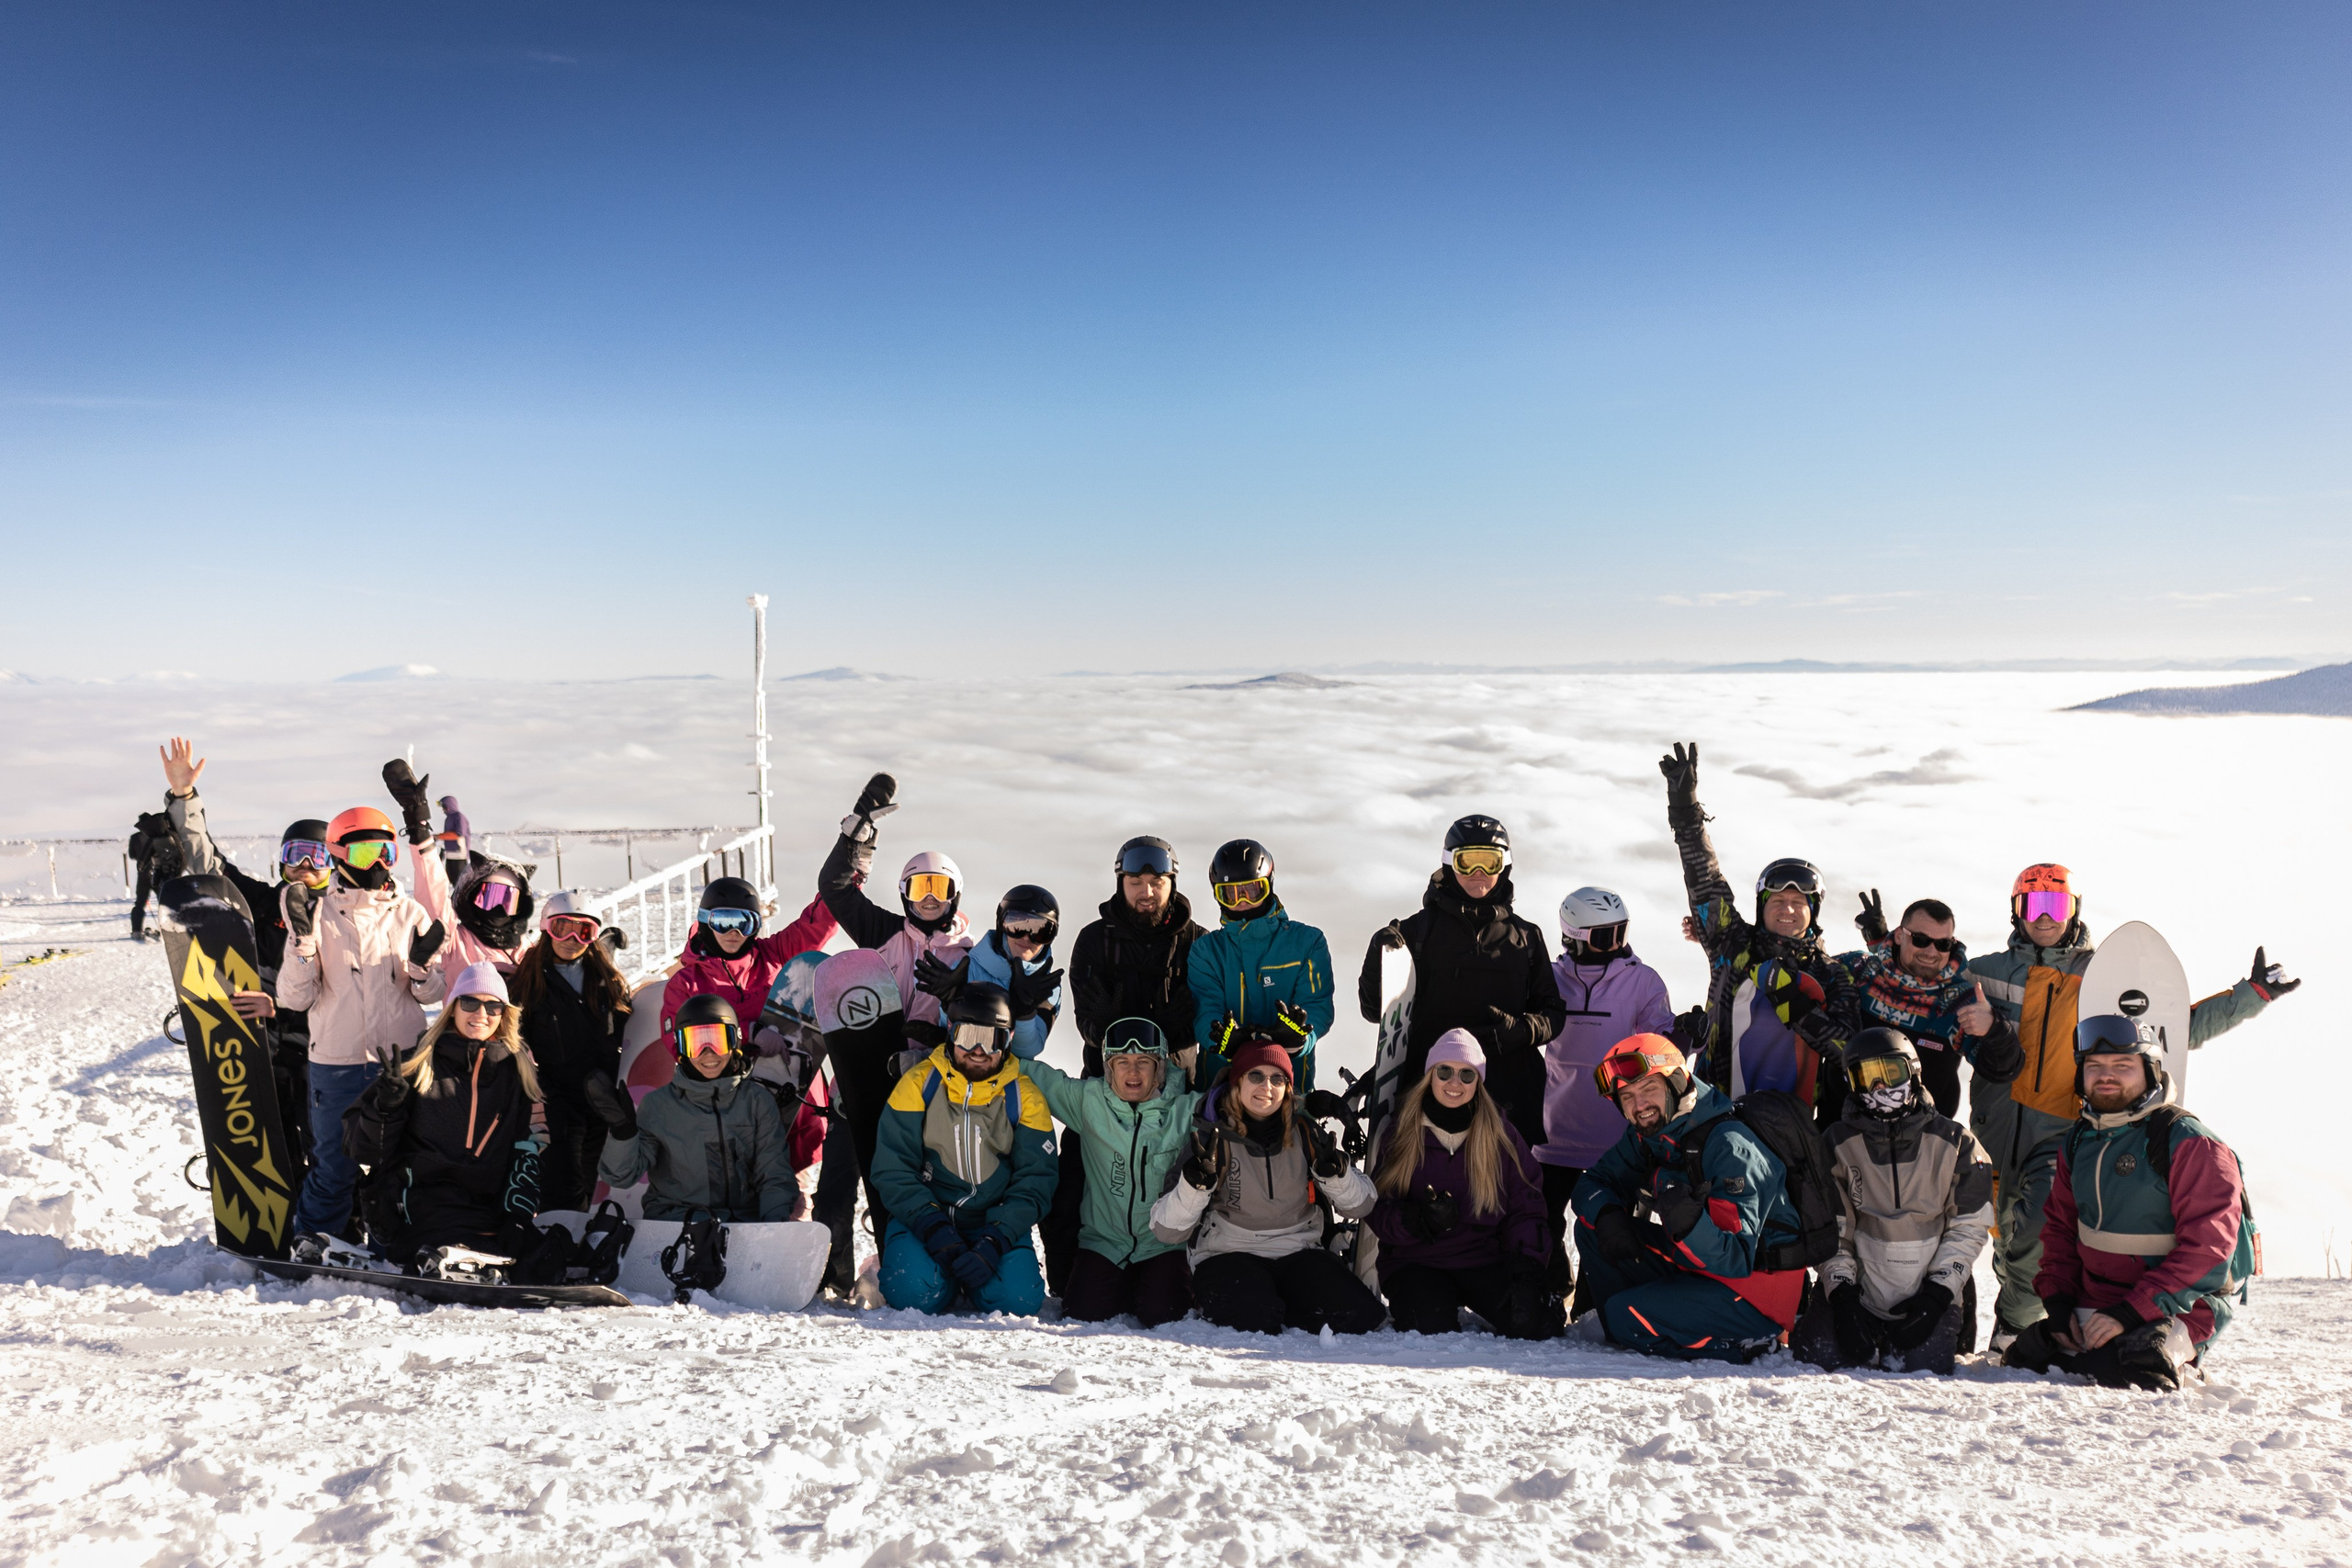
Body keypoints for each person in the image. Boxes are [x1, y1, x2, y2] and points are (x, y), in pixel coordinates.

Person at [1962, 863, 2292, 1346]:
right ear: (2016, 912)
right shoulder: (1985, 972)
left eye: (2056, 903)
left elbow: (2171, 1030)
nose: (2044, 916)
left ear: (2073, 908)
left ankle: (2015, 1328)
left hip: (2058, 1129)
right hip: (1991, 1128)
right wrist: (1887, 946)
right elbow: (1930, 981)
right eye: (2032, 904)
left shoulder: (2105, 975)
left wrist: (2251, 995)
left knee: (2037, 1229)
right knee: (2002, 1232)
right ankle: (1999, 1323)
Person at [2002, 1014, 2255, 1391]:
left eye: (2123, 1065)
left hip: (2180, 1305)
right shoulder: (2079, 1140)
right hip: (2102, 1300)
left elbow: (2210, 1250)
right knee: (2029, 1358)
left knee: (2133, 1369)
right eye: (2094, 1066)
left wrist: (2132, 1311)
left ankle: (2180, 1356)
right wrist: (2057, 1301)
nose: (2107, 1075)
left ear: (2150, 1072)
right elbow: (2059, 1230)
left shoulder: (2188, 1142)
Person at [1570, 1035, 1807, 1362]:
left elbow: (1736, 1258)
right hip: (1698, 1265)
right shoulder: (1652, 1133)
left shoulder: (1729, 1146)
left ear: (1676, 1082)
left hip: (1754, 1289)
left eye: (1648, 1089)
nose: (1639, 1105)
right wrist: (1608, 1211)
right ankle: (1630, 1322)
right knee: (1593, 1227)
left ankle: (1750, 1342)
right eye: (1627, 1096)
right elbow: (1593, 1183)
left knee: (1627, 1318)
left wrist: (1691, 1224)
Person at [1657, 742, 1859, 1119]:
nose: (1788, 910)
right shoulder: (1731, 945)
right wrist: (1686, 813)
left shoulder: (1831, 975)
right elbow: (1705, 881)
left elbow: (1848, 1050)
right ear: (1761, 907)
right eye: (1777, 902)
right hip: (1716, 1112)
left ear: (1812, 914)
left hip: (1794, 1127)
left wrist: (1793, 1003)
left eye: (1798, 904)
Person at [278, 805, 447, 1246]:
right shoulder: (314, 915)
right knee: (334, 1164)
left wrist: (421, 968)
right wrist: (302, 946)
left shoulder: (409, 914)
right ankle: (314, 1242)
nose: (376, 864)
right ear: (337, 854)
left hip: (402, 1063)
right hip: (337, 1064)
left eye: (385, 852)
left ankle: (399, 1243)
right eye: (363, 853)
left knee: (405, 1161)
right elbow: (294, 998)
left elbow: (433, 996)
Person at [156, 736, 325, 1175]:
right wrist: (183, 797)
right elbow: (208, 865)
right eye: (295, 856)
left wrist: (282, 1006)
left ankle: (341, 1227)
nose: (304, 867)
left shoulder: (346, 917)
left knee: (328, 1151)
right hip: (263, 1053)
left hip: (326, 1056)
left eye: (316, 857)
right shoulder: (264, 903)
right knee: (276, 1145)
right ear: (281, 862)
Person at [1049, 835, 1207, 1296]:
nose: (1145, 891)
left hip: (1173, 1096)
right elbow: (1087, 1021)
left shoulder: (1198, 943)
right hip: (1101, 1092)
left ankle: (1183, 1276)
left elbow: (1207, 1010)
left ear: (1171, 883)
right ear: (1120, 883)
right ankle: (1065, 1282)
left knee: (1181, 1185)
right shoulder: (1094, 940)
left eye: (1156, 881)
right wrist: (1109, 1029)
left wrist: (1184, 1029)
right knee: (1072, 1189)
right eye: (1135, 881)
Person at [1356, 816, 1566, 1149]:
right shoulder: (1417, 932)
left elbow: (1553, 1014)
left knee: (1500, 1197)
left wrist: (1521, 1032)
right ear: (1448, 863)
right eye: (1467, 862)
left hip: (1506, 1101)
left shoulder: (1526, 937)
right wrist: (1375, 957)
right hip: (1432, 1098)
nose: (1478, 874)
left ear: (1505, 865)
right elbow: (1375, 1011)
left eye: (1489, 861)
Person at [1792, 1030, 1996, 1376]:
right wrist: (1842, 1298)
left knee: (1918, 1374)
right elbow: (1832, 1231)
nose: (1880, 1090)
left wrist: (1937, 1297)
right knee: (1816, 1363)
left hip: (1926, 1292)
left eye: (1891, 1074)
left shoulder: (1956, 1143)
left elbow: (1969, 1229)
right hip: (1859, 1292)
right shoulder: (1837, 1145)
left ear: (1914, 1072)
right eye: (1866, 1079)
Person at [1149, 1037, 1384, 1336]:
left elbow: (1362, 1206)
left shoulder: (1305, 1132)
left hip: (1298, 1249)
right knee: (1255, 1321)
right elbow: (1166, 1230)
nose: (1267, 1087)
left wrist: (1337, 1176)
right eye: (1256, 1076)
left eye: (1278, 1078)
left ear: (1288, 1087)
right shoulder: (1212, 1139)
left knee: (1362, 1317)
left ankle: (1282, 1300)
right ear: (1238, 1082)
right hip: (1228, 1252)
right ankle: (1269, 1303)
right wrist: (1193, 1187)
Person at [339, 963, 548, 1272]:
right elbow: (363, 1150)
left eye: (493, 1006)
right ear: (452, 1009)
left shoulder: (518, 1074)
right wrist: (386, 1108)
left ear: (504, 1015)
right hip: (421, 1205)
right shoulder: (416, 1065)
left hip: (485, 1209)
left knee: (540, 1260)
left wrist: (517, 1217)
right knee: (459, 1251)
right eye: (470, 1003)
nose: (481, 1014)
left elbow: (528, 1151)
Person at [869, 984, 1058, 1315]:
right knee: (914, 1294)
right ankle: (943, 1278)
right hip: (927, 1218)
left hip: (992, 1224)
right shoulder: (920, 1084)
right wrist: (934, 1227)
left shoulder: (1024, 1097)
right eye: (968, 1036)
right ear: (951, 1033)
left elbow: (1035, 1181)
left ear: (1009, 1039)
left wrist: (995, 1241)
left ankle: (975, 1275)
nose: (979, 1050)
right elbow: (892, 1167)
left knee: (1018, 1302)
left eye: (992, 1038)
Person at [1365, 1031, 1559, 1339]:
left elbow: (1527, 1207)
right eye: (1445, 1071)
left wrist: (1526, 1272)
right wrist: (1415, 1220)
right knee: (1427, 1328)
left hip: (1482, 1259)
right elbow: (1377, 1208)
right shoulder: (1402, 1133)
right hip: (1416, 1261)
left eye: (1467, 1074)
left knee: (1535, 1323)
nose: (1455, 1083)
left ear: (1478, 1082)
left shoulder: (1501, 1137)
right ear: (1430, 1075)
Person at [1535, 886, 1675, 1300]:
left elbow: (1660, 1044)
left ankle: (1596, 1301)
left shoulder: (1643, 980)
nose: (1617, 944)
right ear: (1574, 936)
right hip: (1554, 1130)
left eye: (1621, 932)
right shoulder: (1550, 977)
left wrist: (1684, 1038)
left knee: (1610, 1223)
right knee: (1541, 1217)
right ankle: (1553, 1285)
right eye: (1603, 937)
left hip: (1616, 1134)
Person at [1020, 1017, 1200, 1325]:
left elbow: (1242, 1106)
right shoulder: (1090, 1101)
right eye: (1122, 1062)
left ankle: (1147, 1287)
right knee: (1082, 1314)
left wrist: (1306, 1107)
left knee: (1166, 1316)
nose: (1133, 1071)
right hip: (1104, 1243)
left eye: (1144, 1061)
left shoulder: (1185, 1111)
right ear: (1108, 1068)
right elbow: (1032, 1075)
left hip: (1163, 1245)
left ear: (1159, 1068)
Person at [587, 994, 803, 1222]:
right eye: (696, 1044)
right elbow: (621, 1177)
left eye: (717, 1041)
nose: (707, 1053)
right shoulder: (659, 1106)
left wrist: (772, 1226)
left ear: (735, 1041)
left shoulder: (757, 1101)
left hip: (742, 1224)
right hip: (676, 1222)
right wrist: (623, 1133)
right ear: (681, 1048)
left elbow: (773, 1173)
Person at [818, 773, 978, 1051]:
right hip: (874, 1067)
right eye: (919, 889)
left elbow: (984, 1023)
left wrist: (944, 1037)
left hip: (933, 1078)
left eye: (940, 888)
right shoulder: (883, 931)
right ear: (904, 894)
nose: (930, 898)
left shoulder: (970, 956)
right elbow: (835, 889)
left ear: (956, 894)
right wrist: (854, 837)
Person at [1838, 893, 2021, 1117]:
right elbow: (1807, 972)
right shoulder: (1859, 970)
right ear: (1898, 936)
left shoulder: (1958, 1002)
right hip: (1839, 1131)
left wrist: (1994, 1029)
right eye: (1920, 940)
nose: (1931, 952)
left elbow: (2003, 1070)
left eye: (1943, 944)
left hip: (1922, 1143)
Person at [510, 890, 634, 1213]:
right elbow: (513, 1040)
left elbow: (627, 1025)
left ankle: (586, 1246)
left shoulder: (606, 979)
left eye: (585, 931)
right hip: (558, 1100)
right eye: (562, 928)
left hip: (603, 1097)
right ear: (545, 928)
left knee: (595, 1180)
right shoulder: (529, 982)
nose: (572, 939)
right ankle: (559, 1243)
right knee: (564, 1179)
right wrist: (538, 1090)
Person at [1186, 839, 1337, 1091]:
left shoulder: (1306, 943)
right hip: (1220, 1088)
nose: (1242, 901)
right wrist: (1221, 1039)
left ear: (1270, 885)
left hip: (1287, 1087)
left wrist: (1300, 1039)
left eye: (1252, 890)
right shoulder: (1207, 951)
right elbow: (1205, 1009)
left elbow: (1317, 1006)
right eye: (1230, 894)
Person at [381, 761, 536, 976]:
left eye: (508, 901)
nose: (498, 909)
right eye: (489, 897)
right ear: (471, 897)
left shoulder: (526, 951)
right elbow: (432, 891)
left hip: (460, 856)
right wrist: (419, 824)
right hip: (453, 858)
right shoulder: (456, 942)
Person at [921, 884, 1063, 1059]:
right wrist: (947, 1004)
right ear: (1001, 924)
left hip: (1012, 1076)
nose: (1027, 938)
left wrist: (1025, 1013)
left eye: (1042, 931)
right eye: (1017, 926)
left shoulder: (1046, 985)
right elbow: (950, 1032)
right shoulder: (968, 968)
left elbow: (1027, 1051)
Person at [126, 807, 183, 941]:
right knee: (164, 903)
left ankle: (136, 930)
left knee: (140, 903)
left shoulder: (135, 837)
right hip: (161, 872)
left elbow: (132, 855)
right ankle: (169, 929)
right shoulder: (163, 835)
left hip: (143, 875)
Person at [435, 795, 471, 889]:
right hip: (450, 854)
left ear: (449, 806)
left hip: (459, 855)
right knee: (451, 878)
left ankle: (463, 901)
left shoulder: (459, 817)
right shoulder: (448, 819)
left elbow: (459, 834)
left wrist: (440, 836)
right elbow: (448, 835)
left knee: (460, 881)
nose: (443, 809)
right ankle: (454, 900)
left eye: (444, 807)